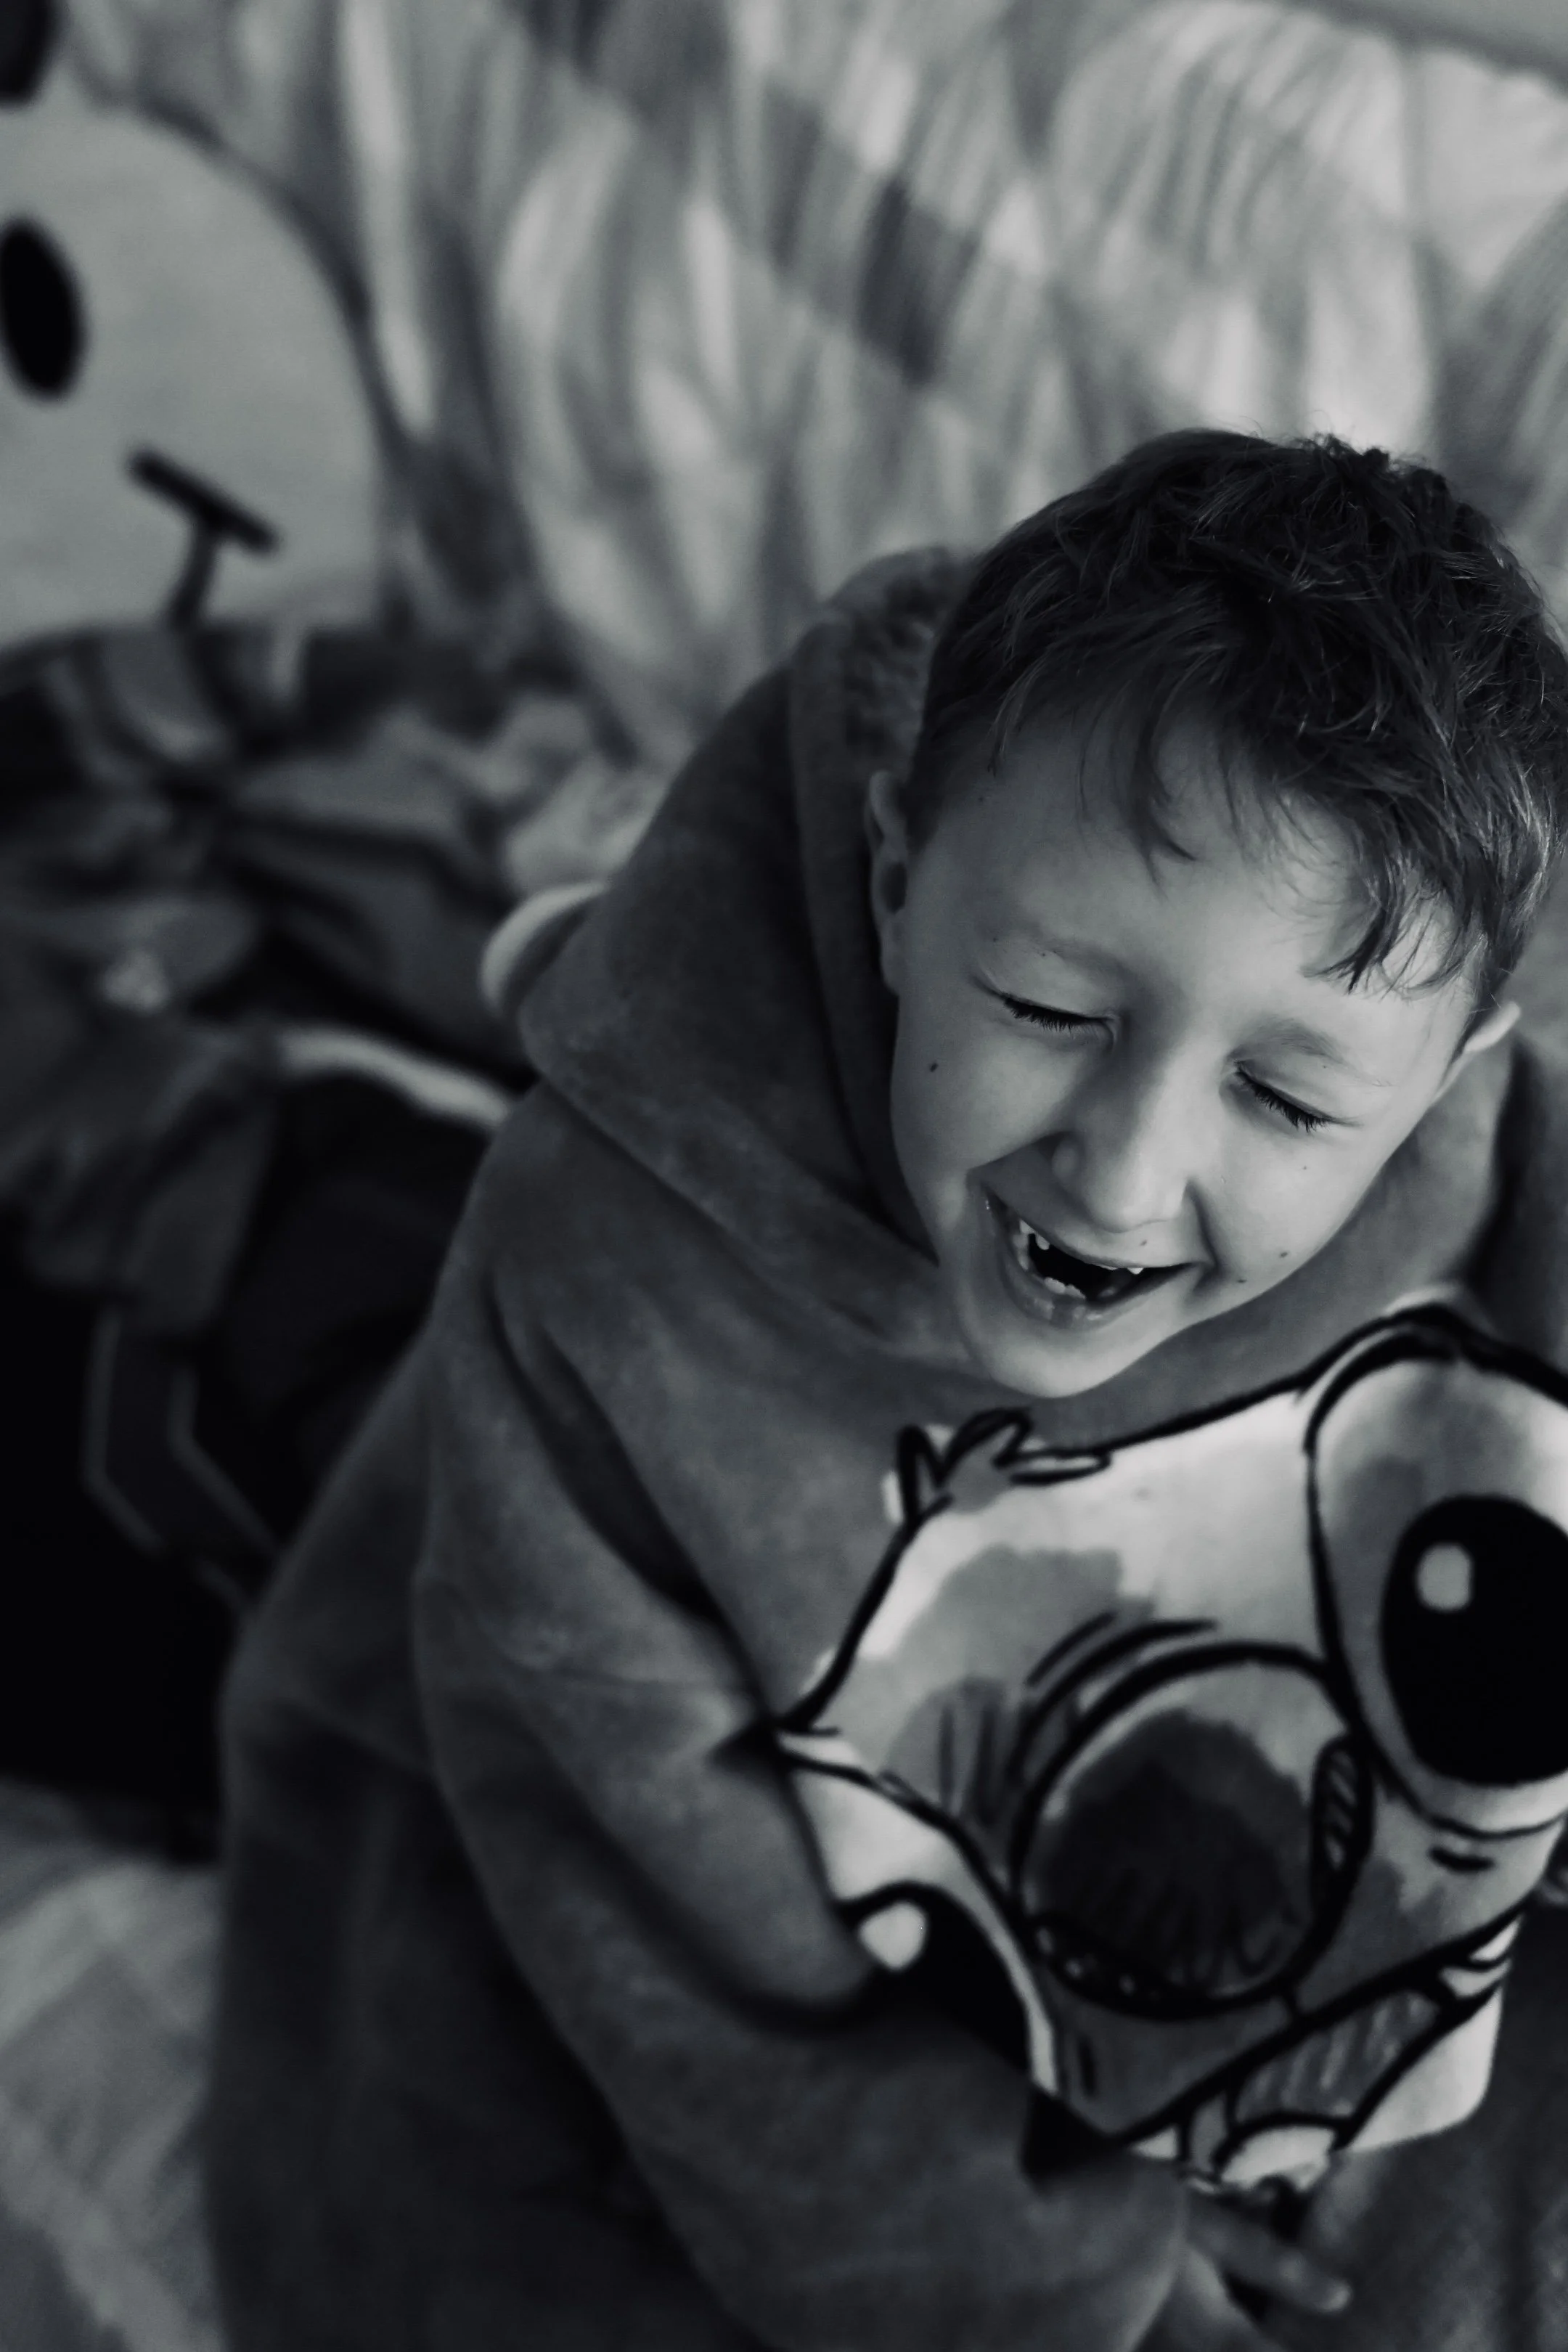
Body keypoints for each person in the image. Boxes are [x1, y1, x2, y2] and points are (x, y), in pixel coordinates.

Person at [208, 431, 1568, 2352]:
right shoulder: (604, 1279)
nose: (1118, 1171)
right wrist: (1046, 2267)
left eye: (1282, 1100)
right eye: (1048, 1010)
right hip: (678, 1842)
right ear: (898, 879)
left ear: (1450, 1077)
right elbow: (656, 1907)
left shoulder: (1477, 1145)